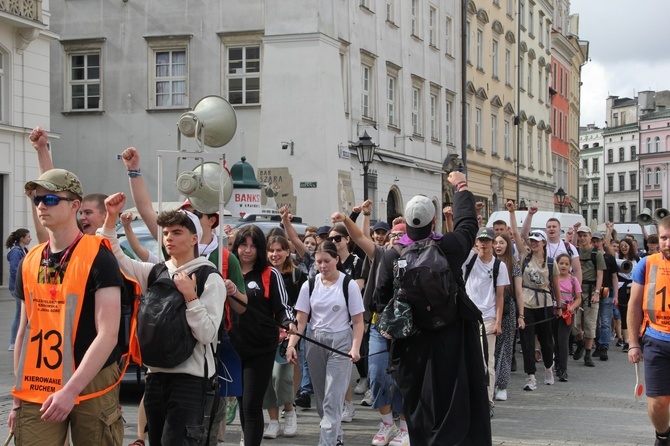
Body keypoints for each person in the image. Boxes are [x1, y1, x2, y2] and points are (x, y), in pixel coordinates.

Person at [100, 192, 227, 446]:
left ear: (194, 238)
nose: (169, 238)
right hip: (156, 376)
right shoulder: (158, 271)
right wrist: (111, 218)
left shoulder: (208, 277)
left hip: (191, 380)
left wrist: (191, 298)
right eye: (166, 233)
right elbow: (113, 255)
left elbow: (207, 335)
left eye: (176, 232)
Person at [10, 169, 124, 445]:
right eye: (37, 199)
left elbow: (108, 334)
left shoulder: (99, 255)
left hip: (92, 378)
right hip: (39, 381)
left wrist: (71, 390)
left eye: (50, 198)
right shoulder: (31, 259)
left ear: (75, 205)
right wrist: (17, 397)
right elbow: (24, 330)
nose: (41, 205)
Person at [375, 171, 491, 445]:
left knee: (419, 408)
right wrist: (461, 187)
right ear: (434, 221)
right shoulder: (448, 247)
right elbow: (466, 225)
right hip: (452, 335)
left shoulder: (393, 254)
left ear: (405, 222)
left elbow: (381, 300)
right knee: (454, 400)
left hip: (412, 342)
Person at [332, 202, 410, 446]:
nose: (395, 238)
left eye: (401, 235)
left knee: (404, 378)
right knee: (376, 375)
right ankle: (387, 423)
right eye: (393, 234)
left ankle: (406, 427)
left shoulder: (416, 255)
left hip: (407, 328)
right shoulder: (379, 254)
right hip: (379, 324)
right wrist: (346, 217)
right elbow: (357, 235)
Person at [285, 241, 365, 446]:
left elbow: (358, 322)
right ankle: (336, 436)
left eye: (327, 261)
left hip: (341, 341)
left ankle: (326, 442)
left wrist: (355, 348)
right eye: (319, 262)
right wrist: (291, 345)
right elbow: (301, 322)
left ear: (337, 260)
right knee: (321, 399)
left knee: (332, 398)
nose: (322, 266)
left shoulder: (349, 285)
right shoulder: (309, 285)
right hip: (315, 340)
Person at [230, 225, 295, 446]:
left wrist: (288, 322)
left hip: (261, 347)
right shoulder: (226, 271)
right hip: (232, 347)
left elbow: (283, 307)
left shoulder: (270, 273)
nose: (247, 250)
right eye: (243, 244)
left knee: (251, 404)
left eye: (253, 246)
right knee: (241, 401)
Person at [627, 215, 670, 446]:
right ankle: (663, 435)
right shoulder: (648, 263)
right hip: (656, 339)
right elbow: (634, 304)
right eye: (664, 238)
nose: (667, 243)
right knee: (658, 402)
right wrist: (633, 343)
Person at [463, 227, 508, 417]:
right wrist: (449, 220)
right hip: (468, 316)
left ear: (492, 243)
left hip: (488, 317)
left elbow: (500, 296)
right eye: (481, 240)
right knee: (467, 360)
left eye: (487, 240)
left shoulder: (499, 266)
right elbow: (455, 243)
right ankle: (469, 399)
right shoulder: (470, 259)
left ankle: (487, 401)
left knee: (486, 360)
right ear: (476, 242)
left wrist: (498, 322)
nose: (483, 243)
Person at [262, 235, 303, 439]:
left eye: (279, 250)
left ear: (288, 251)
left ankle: (290, 411)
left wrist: (292, 333)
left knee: (282, 376)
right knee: (267, 378)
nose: (274, 254)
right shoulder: (261, 274)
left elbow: (301, 310)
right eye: (271, 250)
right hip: (264, 334)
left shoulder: (296, 275)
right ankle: (273, 421)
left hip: (289, 333)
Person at [519, 228, 561, 391]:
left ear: (544, 243)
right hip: (526, 303)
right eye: (532, 240)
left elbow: (556, 286)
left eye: (537, 240)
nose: (534, 243)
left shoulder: (551, 262)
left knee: (546, 341)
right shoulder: (524, 258)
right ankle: (530, 376)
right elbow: (518, 234)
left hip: (545, 303)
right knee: (527, 341)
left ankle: (548, 368)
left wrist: (559, 305)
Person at [492, 232, 523, 401]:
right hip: (490, 308)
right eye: (495, 242)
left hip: (508, 309)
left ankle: (502, 385)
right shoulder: (488, 262)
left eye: (501, 243)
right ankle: (491, 382)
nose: (498, 246)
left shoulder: (514, 266)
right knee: (492, 349)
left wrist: (521, 315)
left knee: (505, 348)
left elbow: (519, 292)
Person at [572, 227, 605, 367]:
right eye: (580, 235)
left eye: (585, 235)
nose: (582, 238)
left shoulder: (596, 254)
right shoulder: (575, 252)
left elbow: (600, 274)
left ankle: (587, 354)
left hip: (591, 291)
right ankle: (580, 342)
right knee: (574, 325)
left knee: (590, 324)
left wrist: (597, 292)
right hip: (576, 291)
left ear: (590, 236)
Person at [521, 211, 582, 285]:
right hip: (544, 285)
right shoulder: (539, 245)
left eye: (554, 226)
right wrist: (530, 214)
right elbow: (524, 235)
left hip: (564, 286)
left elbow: (577, 270)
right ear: (546, 230)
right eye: (549, 227)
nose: (551, 229)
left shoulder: (569, 247)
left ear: (560, 230)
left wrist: (577, 292)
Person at [591, 232, 619, 362]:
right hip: (593, 291)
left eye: (598, 241)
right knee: (595, 321)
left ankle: (604, 346)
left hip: (606, 291)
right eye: (594, 241)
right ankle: (597, 344)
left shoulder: (609, 257)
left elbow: (614, 277)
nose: (596, 243)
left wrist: (616, 295)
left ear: (602, 241)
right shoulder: (591, 256)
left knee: (606, 321)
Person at [553, 253, 582, 381]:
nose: (563, 266)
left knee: (563, 340)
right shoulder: (553, 278)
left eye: (566, 264)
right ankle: (557, 365)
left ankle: (564, 370)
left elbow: (578, 298)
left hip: (567, 315)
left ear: (570, 266)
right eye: (561, 263)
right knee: (555, 341)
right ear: (556, 264)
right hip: (553, 313)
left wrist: (572, 307)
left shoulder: (573, 280)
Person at [6, 228, 31, 351]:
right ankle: (14, 342)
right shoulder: (17, 252)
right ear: (22, 238)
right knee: (20, 315)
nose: (30, 239)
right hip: (18, 287)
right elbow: (14, 270)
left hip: (21, 286)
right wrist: (21, 284)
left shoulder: (23, 250)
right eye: (28, 237)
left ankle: (17, 342)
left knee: (21, 314)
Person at [615, 238, 640, 353]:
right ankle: (626, 341)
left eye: (625, 245)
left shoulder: (637, 259)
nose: (623, 248)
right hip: (622, 288)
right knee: (624, 314)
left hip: (634, 288)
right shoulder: (617, 259)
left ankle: (636, 338)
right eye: (621, 246)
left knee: (635, 312)